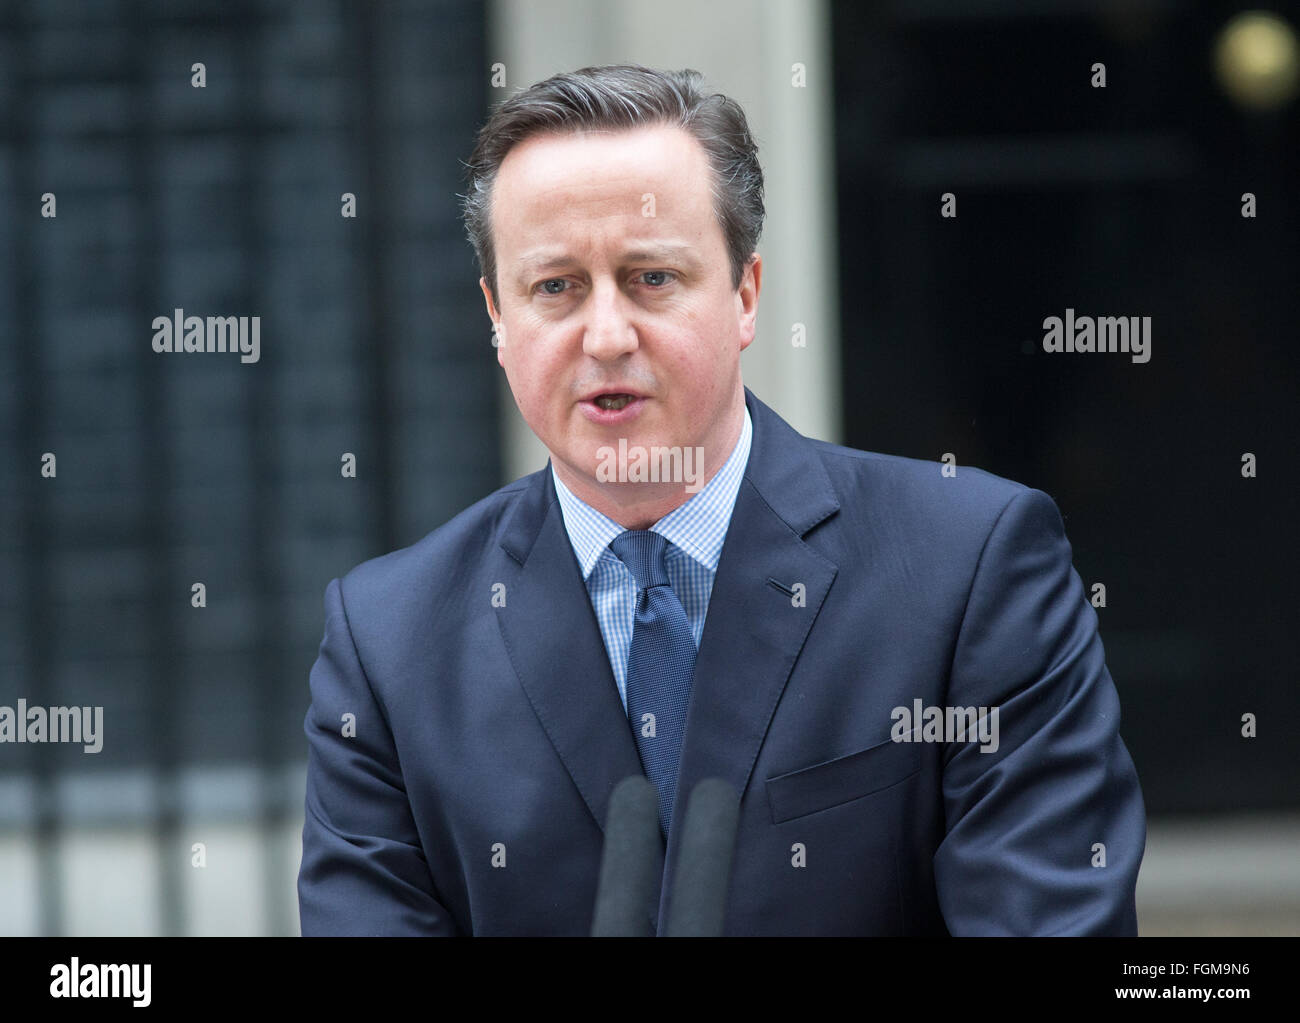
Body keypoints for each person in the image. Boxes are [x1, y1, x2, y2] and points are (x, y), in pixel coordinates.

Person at [297, 64, 1146, 936]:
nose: (607, 335)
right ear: (496, 318)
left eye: (651, 278)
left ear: (745, 294)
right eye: (555, 287)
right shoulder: (390, 643)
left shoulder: (969, 569)